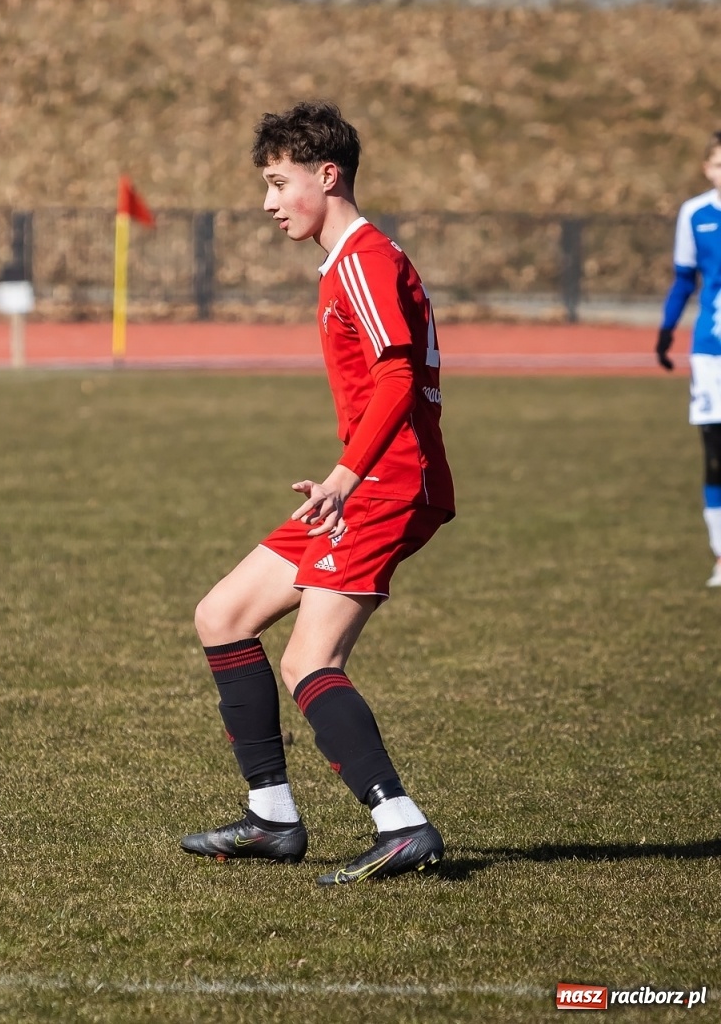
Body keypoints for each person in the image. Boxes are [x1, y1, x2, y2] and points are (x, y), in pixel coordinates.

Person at [178, 102, 455, 884]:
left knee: (309, 661)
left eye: (278, 182)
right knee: (223, 615)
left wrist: (346, 475)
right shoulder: (344, 262)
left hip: (386, 485)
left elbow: (397, 371)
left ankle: (400, 825)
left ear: (326, 176)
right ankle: (271, 817)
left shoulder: (363, 258)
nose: (268, 202)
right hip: (363, 484)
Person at [655, 132, 721, 587]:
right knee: (715, 454)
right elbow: (684, 280)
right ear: (706, 167)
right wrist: (665, 331)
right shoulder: (695, 214)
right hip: (711, 351)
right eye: (718, 163)